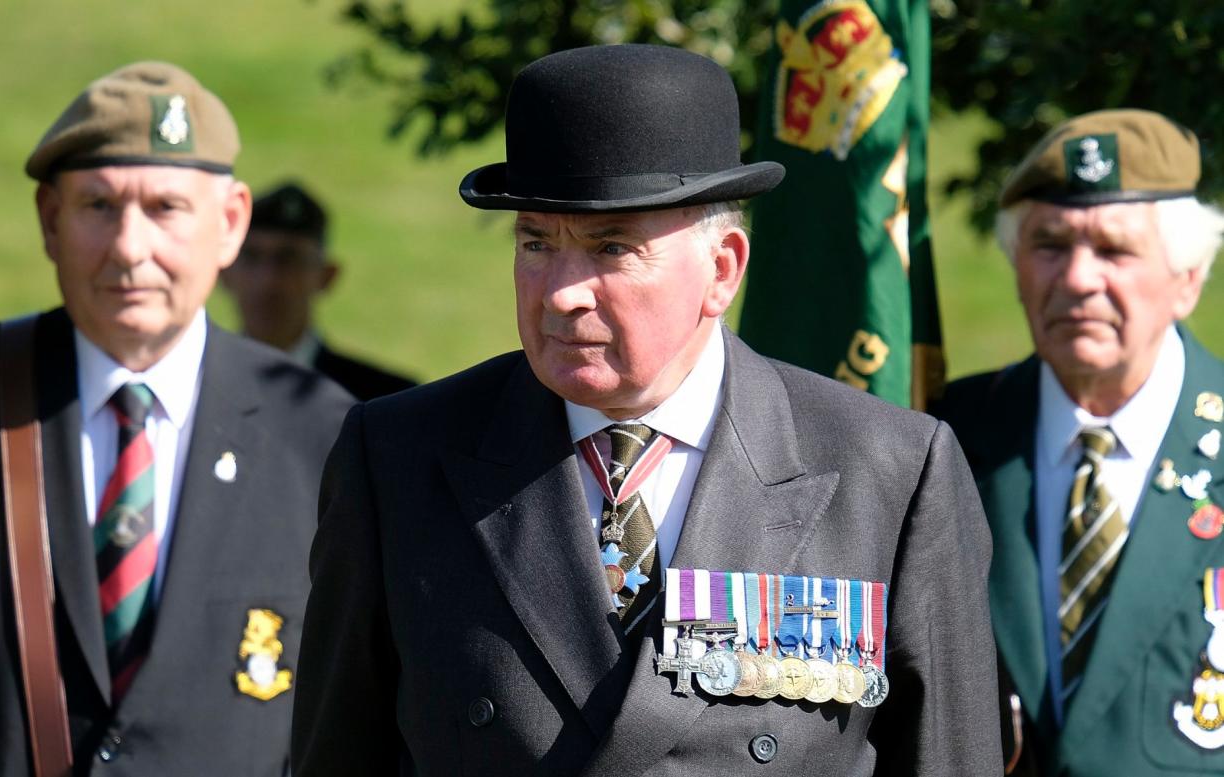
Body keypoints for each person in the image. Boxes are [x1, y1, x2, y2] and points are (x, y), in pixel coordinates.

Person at [292, 43, 1000, 776]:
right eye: (537, 241)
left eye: (611, 247)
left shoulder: (887, 471)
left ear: (721, 269)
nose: (562, 291)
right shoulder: (400, 457)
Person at [0, 62, 354, 775]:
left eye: (165, 208)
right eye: (97, 205)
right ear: (49, 221)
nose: (130, 247)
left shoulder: (323, 434)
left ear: (231, 222)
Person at [936, 109, 1224, 775]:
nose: (1077, 279)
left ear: (1188, 279)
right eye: (1050, 245)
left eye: (1115, 250)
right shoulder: (943, 438)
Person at [222, 181, 416, 400]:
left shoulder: (385, 399)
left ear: (326, 277)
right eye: (251, 257)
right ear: (223, 272)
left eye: (288, 259)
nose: (269, 280)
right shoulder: (189, 386)